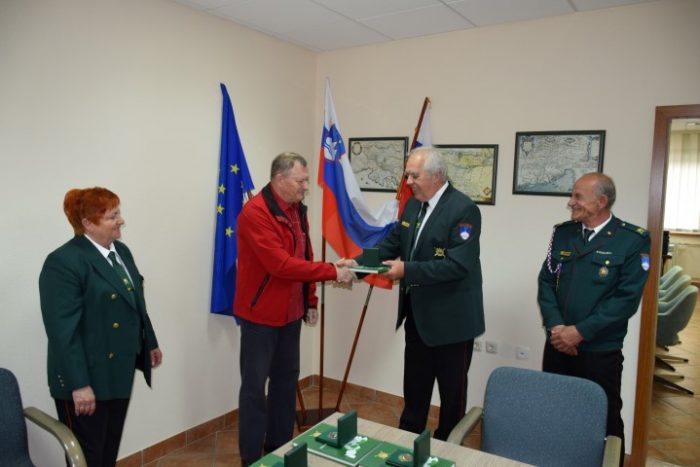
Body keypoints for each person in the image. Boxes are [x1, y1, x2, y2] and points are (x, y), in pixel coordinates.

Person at [234, 152, 355, 465]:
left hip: (291, 314)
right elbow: (281, 265)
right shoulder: (255, 213)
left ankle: (278, 448)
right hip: (260, 317)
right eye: (301, 181)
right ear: (280, 179)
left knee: (286, 383)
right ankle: (251, 458)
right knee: (254, 390)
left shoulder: (296, 209)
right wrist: (332, 271)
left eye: (305, 181)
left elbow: (304, 255)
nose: (305, 187)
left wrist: (310, 299)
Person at [357, 147, 485, 440]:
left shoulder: (464, 210)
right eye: (407, 175)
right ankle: (407, 442)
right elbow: (390, 245)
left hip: (453, 323)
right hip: (417, 317)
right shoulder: (413, 206)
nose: (408, 181)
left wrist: (407, 270)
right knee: (414, 389)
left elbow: (457, 265)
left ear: (436, 176)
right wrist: (356, 265)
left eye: (414, 176)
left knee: (452, 397)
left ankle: (448, 449)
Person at [39, 187, 162, 466]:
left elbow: (135, 301)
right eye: (112, 216)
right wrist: (79, 384)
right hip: (86, 377)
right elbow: (62, 333)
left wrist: (149, 342)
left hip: (118, 370)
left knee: (107, 452)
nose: (121, 221)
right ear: (87, 224)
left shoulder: (122, 252)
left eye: (118, 213)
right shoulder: (63, 262)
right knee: (87, 457)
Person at [538, 173, 650, 466]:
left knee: (606, 418)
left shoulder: (633, 240)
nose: (570, 202)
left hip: (599, 350)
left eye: (578, 197)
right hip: (557, 344)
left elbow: (626, 299)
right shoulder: (563, 233)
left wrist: (580, 332)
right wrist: (557, 327)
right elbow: (546, 282)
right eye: (572, 195)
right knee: (557, 412)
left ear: (601, 201)